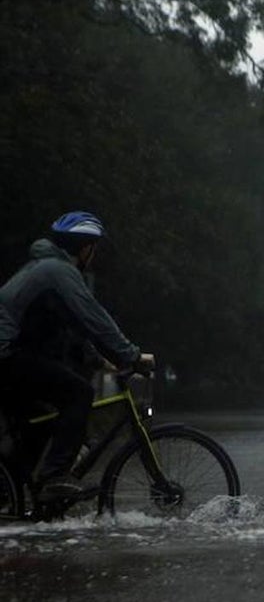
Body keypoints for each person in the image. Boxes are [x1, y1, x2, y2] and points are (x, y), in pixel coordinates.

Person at [0, 211, 154, 503]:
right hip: (7, 355)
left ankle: (12, 499)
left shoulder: (44, 268)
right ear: (86, 248)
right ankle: (53, 479)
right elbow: (95, 319)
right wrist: (131, 356)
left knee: (40, 423)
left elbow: (70, 328)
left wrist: (98, 360)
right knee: (78, 393)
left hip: (10, 356)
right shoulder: (59, 272)